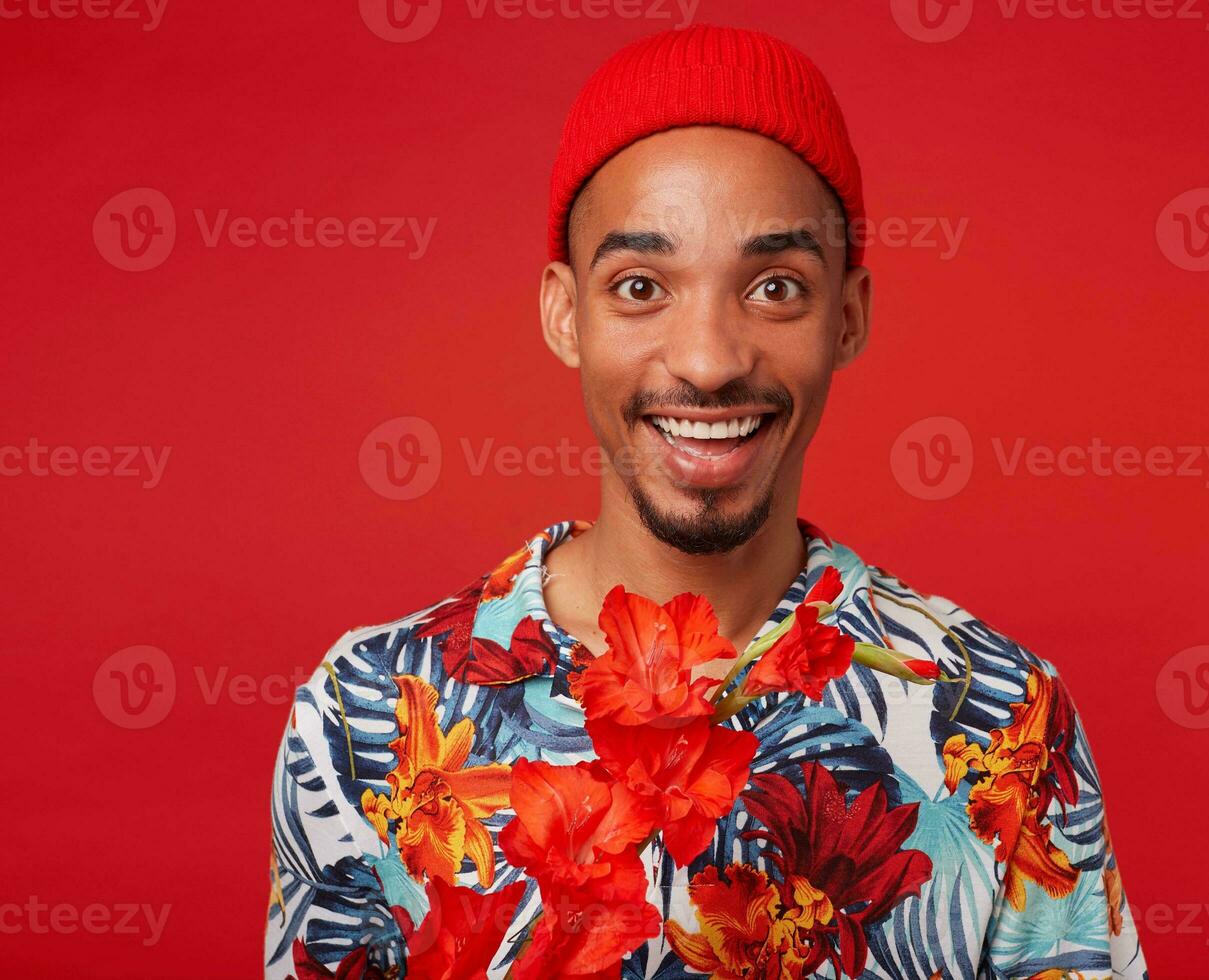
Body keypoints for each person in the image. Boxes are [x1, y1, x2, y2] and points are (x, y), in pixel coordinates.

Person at [265, 24, 1147, 980]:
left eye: (775, 288)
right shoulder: (368, 719)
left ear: (847, 317)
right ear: (567, 314)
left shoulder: (997, 720)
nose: (709, 360)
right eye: (641, 286)